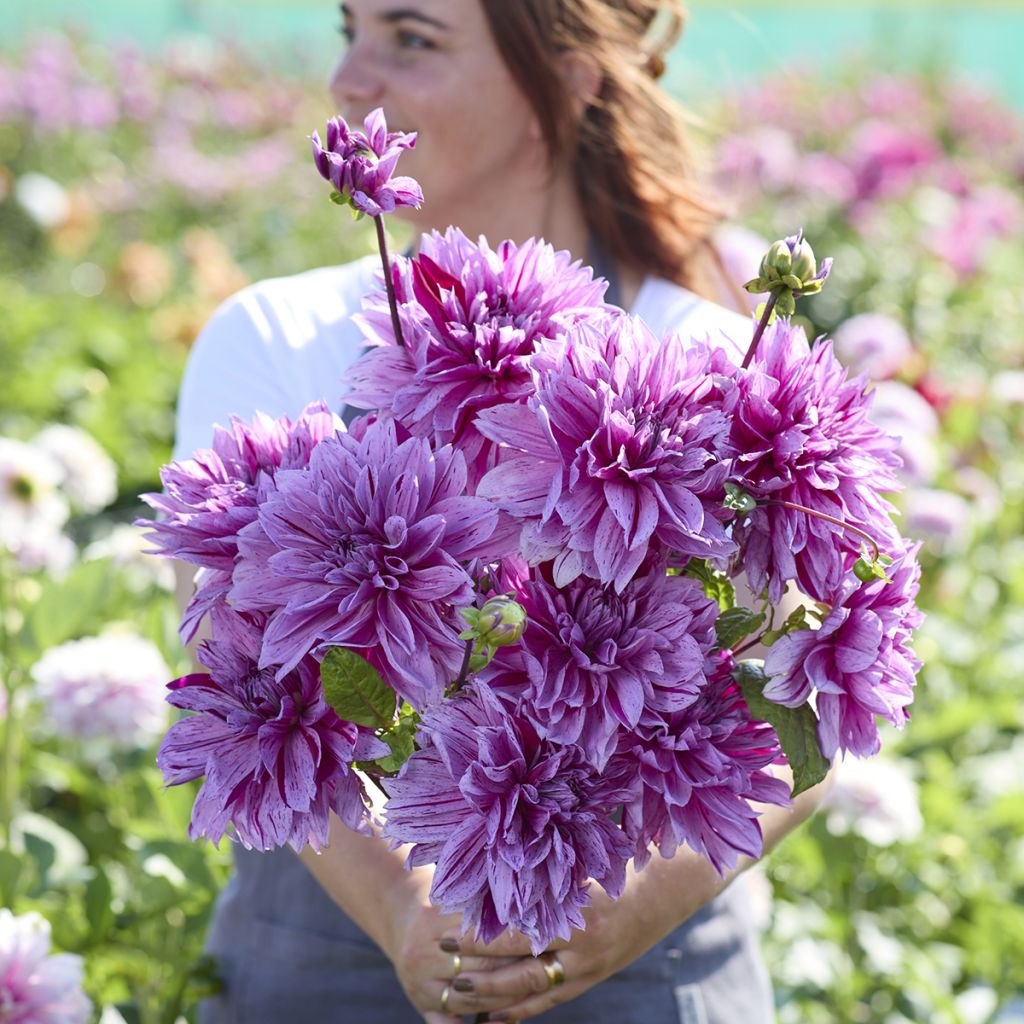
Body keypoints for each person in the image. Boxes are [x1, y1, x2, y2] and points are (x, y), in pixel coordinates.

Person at [172, 1, 827, 1020]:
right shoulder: (272, 334)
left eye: (412, 38)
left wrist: (620, 916)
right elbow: (232, 669)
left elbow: (809, 712)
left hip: (641, 967)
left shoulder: (714, 360)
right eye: (347, 32)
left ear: (564, 79)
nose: (350, 79)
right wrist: (400, 909)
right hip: (322, 958)